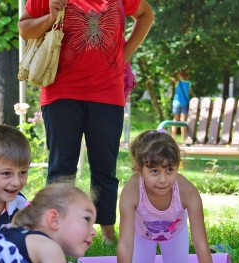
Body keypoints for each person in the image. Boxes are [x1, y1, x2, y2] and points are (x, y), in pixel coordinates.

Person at [18, 0, 155, 244]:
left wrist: (126, 52)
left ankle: (107, 232)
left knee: (105, 167)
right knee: (62, 167)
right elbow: (25, 28)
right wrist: (50, 18)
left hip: (108, 94)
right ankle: (58, 231)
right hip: (60, 93)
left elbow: (146, 14)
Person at [115, 130, 228, 263]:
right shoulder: (131, 191)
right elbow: (125, 243)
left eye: (169, 170)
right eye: (154, 171)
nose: (163, 179)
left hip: (175, 235)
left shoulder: (187, 191)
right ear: (139, 170)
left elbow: (200, 242)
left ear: (177, 166)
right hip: (142, 236)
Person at [171, 69, 192, 144]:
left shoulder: (177, 82)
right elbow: (190, 92)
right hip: (185, 103)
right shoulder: (189, 83)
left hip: (176, 103)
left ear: (179, 75)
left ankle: (173, 137)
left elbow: (172, 77)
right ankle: (183, 138)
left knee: (175, 120)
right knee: (183, 121)